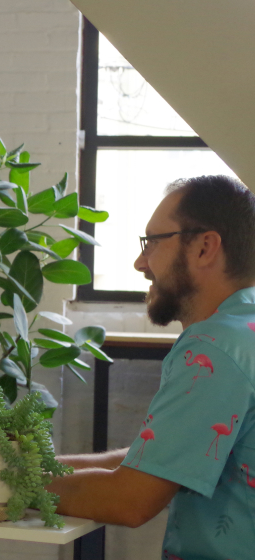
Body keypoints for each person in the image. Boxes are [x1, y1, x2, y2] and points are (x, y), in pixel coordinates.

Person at [48, 175, 255, 560]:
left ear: (205, 247)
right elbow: (161, 457)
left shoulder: (215, 347)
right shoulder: (245, 328)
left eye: (152, 243)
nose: (141, 262)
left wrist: (0, 482)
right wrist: (43, 465)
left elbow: (130, 500)